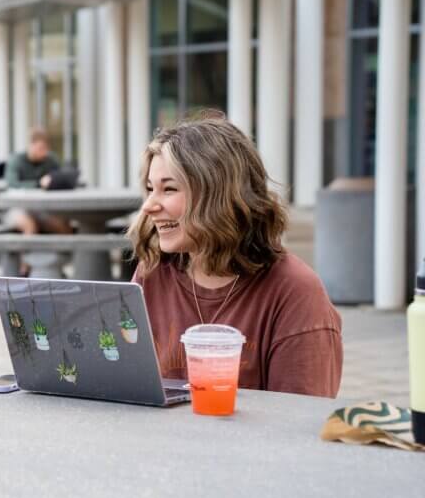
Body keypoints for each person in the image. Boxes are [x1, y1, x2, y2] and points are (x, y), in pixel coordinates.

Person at [127, 114, 342, 397]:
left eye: (169, 189)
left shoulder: (295, 292)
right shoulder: (152, 272)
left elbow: (297, 426)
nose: (149, 206)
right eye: (150, 189)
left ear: (218, 196)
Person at [3, 129, 73, 235]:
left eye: (46, 148)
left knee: (62, 224)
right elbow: (12, 184)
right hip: (18, 207)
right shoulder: (16, 160)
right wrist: (39, 184)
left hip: (44, 209)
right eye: (40, 148)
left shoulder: (50, 160)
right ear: (31, 145)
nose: (44, 152)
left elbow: (60, 177)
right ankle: (22, 251)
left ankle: (67, 251)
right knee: (28, 225)